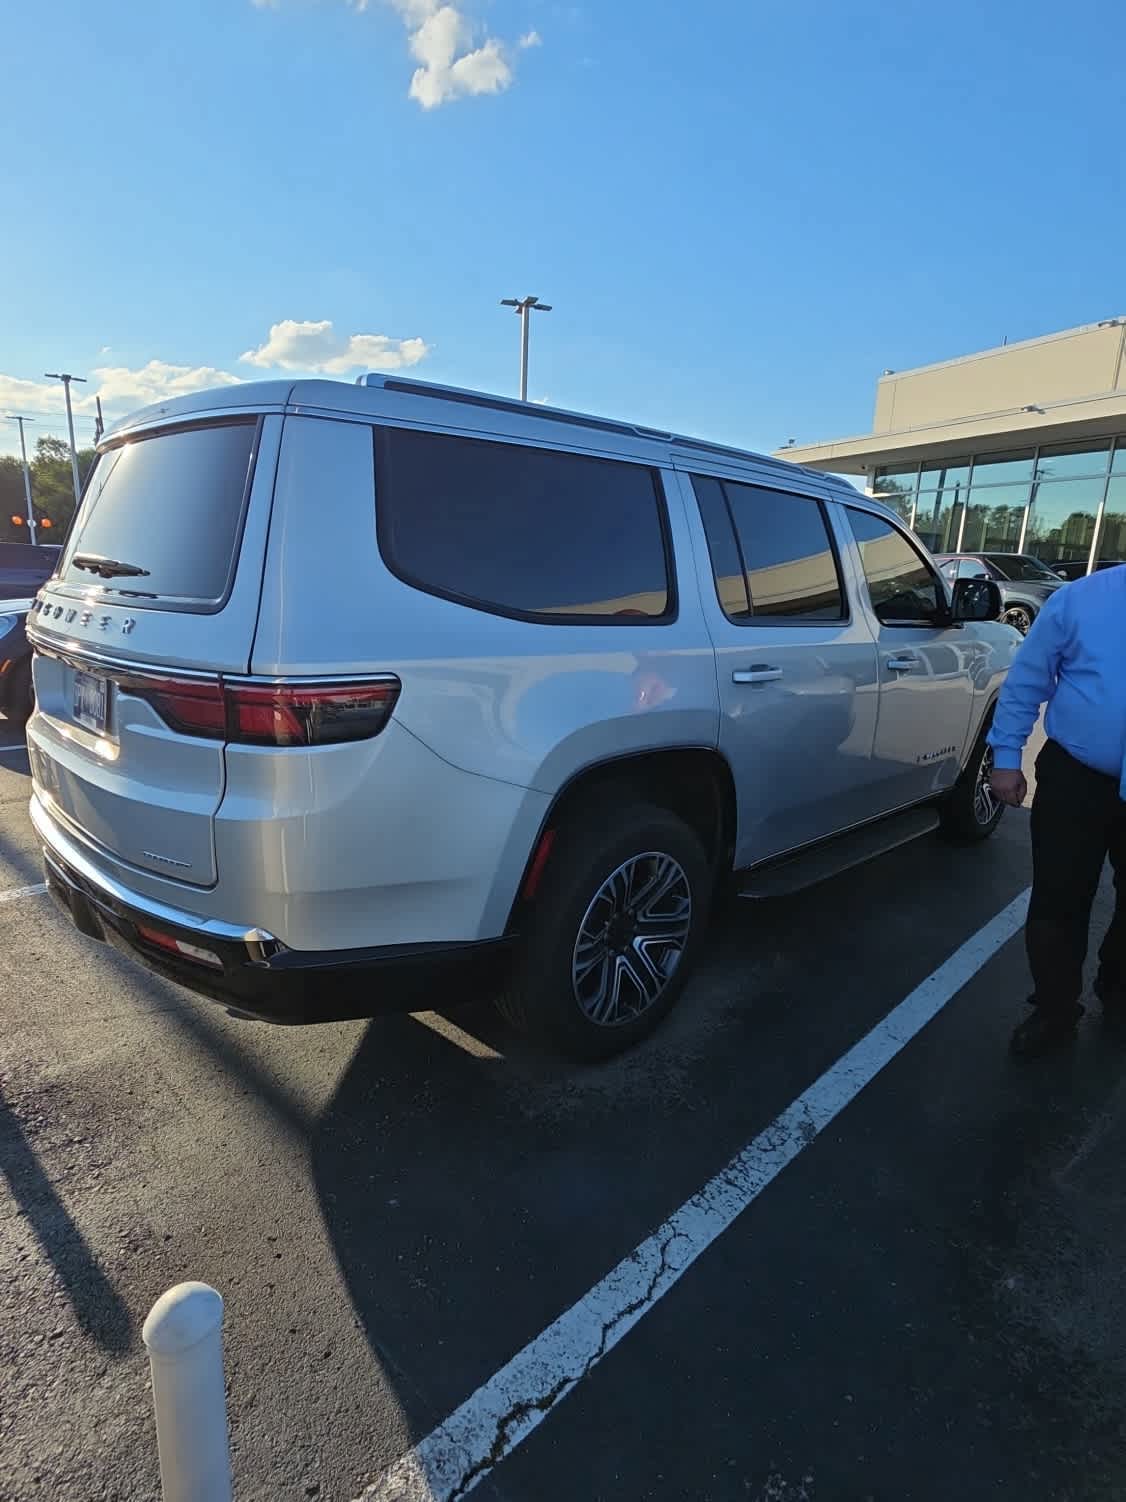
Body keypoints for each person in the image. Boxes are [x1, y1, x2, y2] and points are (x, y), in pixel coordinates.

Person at [988, 564, 1126, 1056]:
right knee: (1058, 900)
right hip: (1076, 777)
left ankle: (1118, 985)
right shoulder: (1080, 600)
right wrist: (1006, 757)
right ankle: (1054, 1009)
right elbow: (1027, 680)